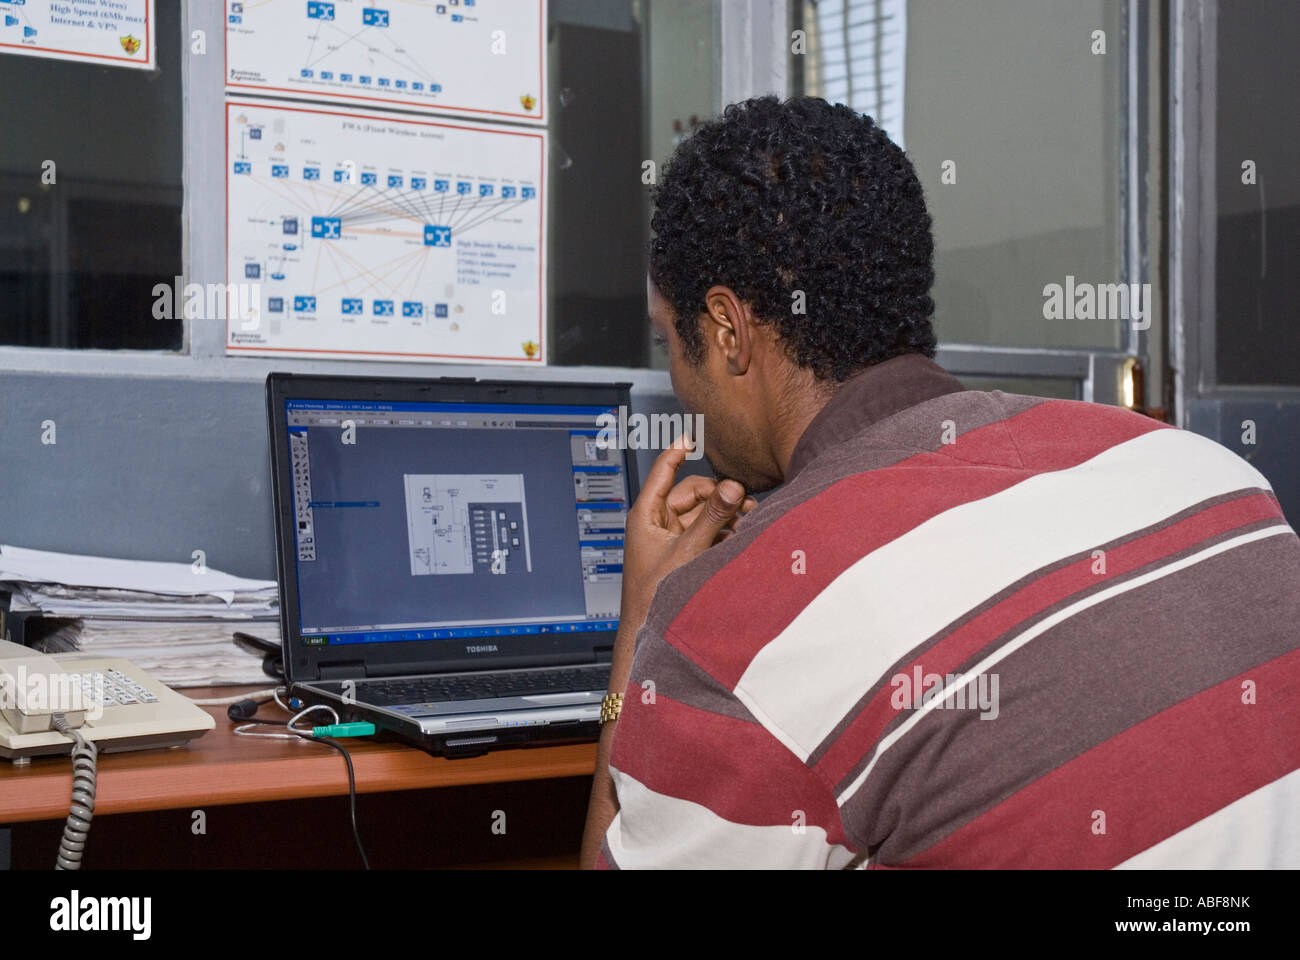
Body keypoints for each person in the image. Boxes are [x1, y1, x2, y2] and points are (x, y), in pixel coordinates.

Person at [578, 95, 1300, 869]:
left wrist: (649, 625)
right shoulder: (1213, 476)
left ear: (727, 331)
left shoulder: (747, 631)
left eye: (670, 342)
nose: (678, 381)